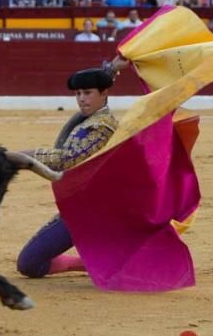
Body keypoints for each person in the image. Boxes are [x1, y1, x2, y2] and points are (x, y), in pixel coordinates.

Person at [15, 60, 129, 278]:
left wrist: (21, 156)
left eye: (87, 93)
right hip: (86, 205)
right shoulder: (95, 117)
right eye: (78, 94)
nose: (82, 99)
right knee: (29, 264)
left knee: (30, 264)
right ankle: (88, 261)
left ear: (104, 94)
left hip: (91, 210)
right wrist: (111, 69)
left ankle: (106, 255)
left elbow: (65, 160)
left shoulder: (100, 127)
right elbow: (100, 88)